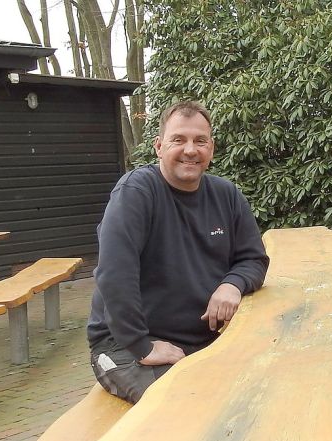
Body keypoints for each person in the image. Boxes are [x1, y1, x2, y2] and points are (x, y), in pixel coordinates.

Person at [87, 100, 269, 404]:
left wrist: (232, 284)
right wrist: (141, 346)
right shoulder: (136, 192)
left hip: (202, 341)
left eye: (200, 141)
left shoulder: (226, 195)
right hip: (125, 346)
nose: (190, 150)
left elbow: (253, 258)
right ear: (159, 146)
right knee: (182, 407)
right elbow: (115, 273)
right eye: (178, 140)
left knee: (261, 393)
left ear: (211, 148)